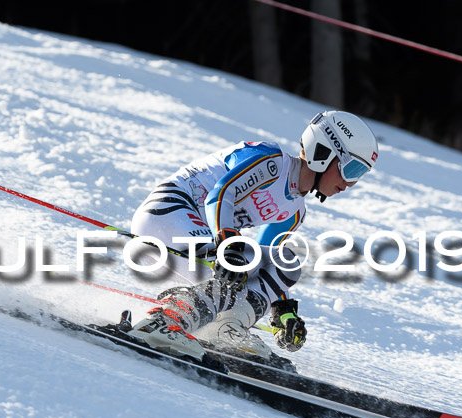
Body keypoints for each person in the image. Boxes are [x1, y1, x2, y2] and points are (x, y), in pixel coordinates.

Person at [127, 110, 379, 362]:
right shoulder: (271, 161)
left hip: (197, 241)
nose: (350, 184)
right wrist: (229, 245)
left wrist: (283, 310)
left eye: (359, 175)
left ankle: (225, 329)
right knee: (237, 271)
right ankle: (161, 322)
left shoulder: (295, 211)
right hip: (168, 212)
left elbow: (265, 259)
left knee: (285, 263)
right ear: (324, 152)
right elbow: (220, 194)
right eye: (351, 169)